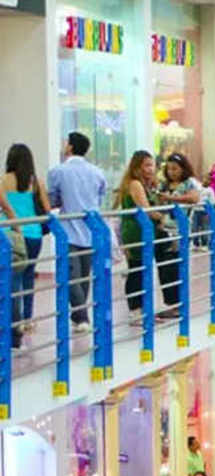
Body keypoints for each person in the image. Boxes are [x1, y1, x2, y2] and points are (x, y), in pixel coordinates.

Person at [47, 131, 107, 333]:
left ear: (71, 147)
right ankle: (79, 316)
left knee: (71, 276)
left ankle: (81, 317)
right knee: (83, 276)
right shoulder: (97, 172)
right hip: (91, 230)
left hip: (68, 230)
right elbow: (99, 199)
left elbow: (53, 199)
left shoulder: (58, 171)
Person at [116, 151, 181, 323]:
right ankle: (136, 311)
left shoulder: (147, 184)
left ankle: (146, 310)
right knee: (137, 268)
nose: (151, 169)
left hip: (148, 230)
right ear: (137, 167)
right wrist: (165, 219)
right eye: (147, 165)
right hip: (136, 231)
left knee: (147, 268)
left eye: (152, 165)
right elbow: (146, 209)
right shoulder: (135, 184)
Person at [1, 143, 50, 346]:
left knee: (11, 280)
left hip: (10, 234)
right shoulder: (36, 182)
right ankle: (27, 319)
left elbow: (5, 207)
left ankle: (14, 327)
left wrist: (15, 222)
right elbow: (47, 209)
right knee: (29, 276)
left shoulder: (3, 180)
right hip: (33, 235)